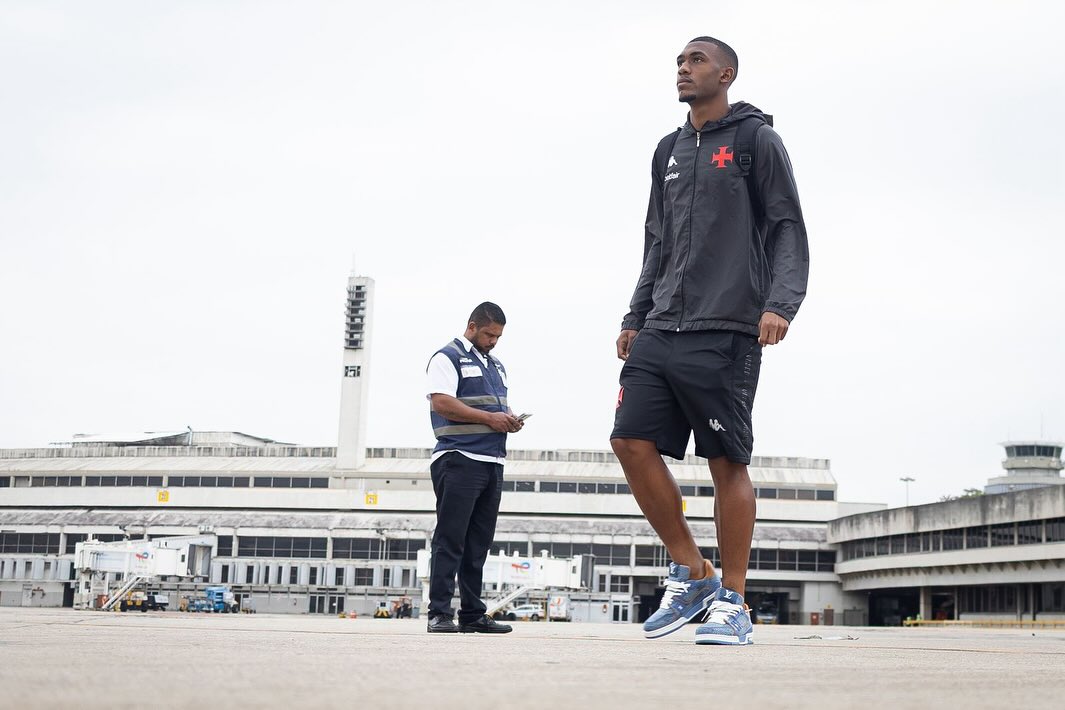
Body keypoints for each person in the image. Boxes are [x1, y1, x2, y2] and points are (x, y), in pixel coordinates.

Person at [610, 36, 809, 646]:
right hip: (661, 323)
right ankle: (693, 571)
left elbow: (786, 225)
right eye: (679, 61)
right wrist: (635, 314)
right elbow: (657, 238)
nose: (683, 68)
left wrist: (779, 303)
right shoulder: (667, 150)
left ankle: (735, 601)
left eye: (696, 60)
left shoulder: (756, 141)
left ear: (726, 74)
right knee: (629, 441)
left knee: (727, 463)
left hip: (727, 325)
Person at [424, 302, 523, 634]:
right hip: (459, 458)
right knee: (451, 538)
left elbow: (491, 409)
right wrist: (490, 419)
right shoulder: (447, 357)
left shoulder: (495, 365)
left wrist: (508, 420)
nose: (494, 341)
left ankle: (472, 614)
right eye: (489, 334)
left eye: (498, 337)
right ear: (472, 326)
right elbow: (441, 402)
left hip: (492, 462)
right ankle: (439, 613)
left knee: (478, 543)